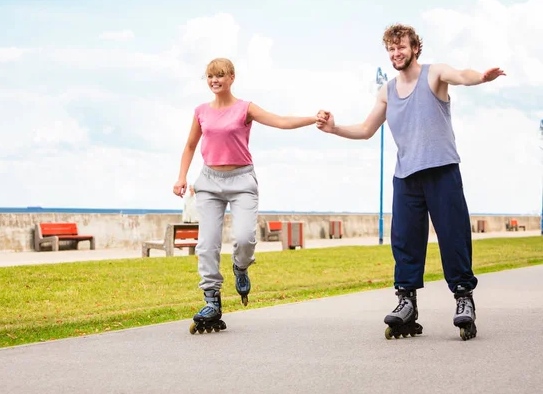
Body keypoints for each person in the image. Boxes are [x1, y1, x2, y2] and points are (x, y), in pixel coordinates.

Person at [316, 24, 505, 341]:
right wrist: (334, 128)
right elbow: (365, 130)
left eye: (401, 47)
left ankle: (463, 299)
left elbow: (462, 74)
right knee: (404, 241)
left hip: (442, 171)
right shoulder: (387, 91)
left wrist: (482, 78)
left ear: (415, 47)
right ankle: (406, 303)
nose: (395, 53)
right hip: (406, 177)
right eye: (390, 49)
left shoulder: (435, 74)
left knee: (453, 236)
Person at [173, 57, 318, 334]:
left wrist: (313, 118)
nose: (214, 81)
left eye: (219, 76)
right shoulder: (201, 111)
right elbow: (190, 145)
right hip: (209, 181)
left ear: (231, 77)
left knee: (243, 238)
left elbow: (280, 121)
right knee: (207, 244)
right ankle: (212, 300)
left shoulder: (245, 108)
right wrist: (181, 177)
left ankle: (241, 267)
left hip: (241, 181)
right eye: (210, 77)